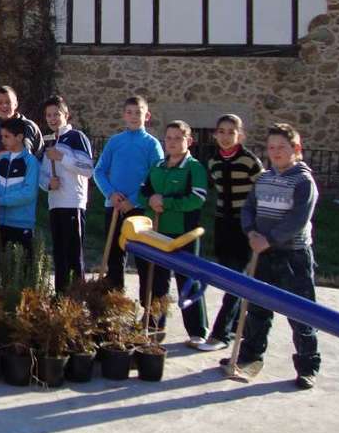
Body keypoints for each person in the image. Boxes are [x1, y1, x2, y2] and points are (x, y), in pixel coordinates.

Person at [226, 123, 320, 389]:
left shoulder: (303, 181)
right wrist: (252, 233)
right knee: (256, 308)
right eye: (271, 148)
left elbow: (298, 219)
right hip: (261, 252)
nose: (276, 152)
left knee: (301, 312)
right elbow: (249, 209)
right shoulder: (264, 179)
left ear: (296, 149)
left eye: (282, 147)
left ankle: (307, 365)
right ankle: (250, 356)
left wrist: (270, 239)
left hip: (293, 256)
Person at [137, 120, 210, 347]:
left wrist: (166, 202)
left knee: (187, 280)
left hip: (184, 234)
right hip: (158, 233)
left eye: (178, 138)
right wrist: (150, 200)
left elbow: (197, 198)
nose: (172, 142)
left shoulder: (194, 168)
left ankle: (197, 329)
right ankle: (155, 325)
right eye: (168, 138)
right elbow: (142, 192)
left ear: (189, 141)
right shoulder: (157, 167)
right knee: (157, 280)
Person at [199, 114, 265, 351]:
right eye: (222, 131)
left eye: (231, 131)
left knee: (236, 281)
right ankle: (238, 326)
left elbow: (263, 191)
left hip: (245, 226)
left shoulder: (250, 161)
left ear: (241, 135)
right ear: (215, 134)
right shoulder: (214, 162)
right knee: (230, 278)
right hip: (223, 225)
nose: (226, 137)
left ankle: (220, 334)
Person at [92, 95, 164, 289]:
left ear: (147, 115)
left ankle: (147, 311)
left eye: (138, 112)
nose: (134, 116)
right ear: (124, 115)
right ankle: (114, 303)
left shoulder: (152, 144)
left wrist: (134, 200)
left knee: (143, 260)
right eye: (130, 112)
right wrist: (111, 194)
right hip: (114, 206)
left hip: (139, 210)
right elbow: (98, 171)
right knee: (114, 257)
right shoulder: (115, 142)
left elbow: (155, 176)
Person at [38, 96, 93, 293]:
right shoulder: (49, 141)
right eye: (48, 115)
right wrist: (48, 184)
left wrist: (62, 157)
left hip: (73, 202)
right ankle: (60, 298)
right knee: (59, 254)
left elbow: (88, 169)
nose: (52, 119)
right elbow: (43, 174)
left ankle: (78, 299)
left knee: (73, 254)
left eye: (56, 114)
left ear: (66, 115)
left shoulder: (77, 137)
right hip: (55, 203)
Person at [0, 117, 40, 280]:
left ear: (20, 137)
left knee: (20, 273)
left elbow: (28, 194)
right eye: (2, 136)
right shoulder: (2, 160)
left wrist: (0, 201)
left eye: (6, 137)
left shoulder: (31, 162)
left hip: (21, 225)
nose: (2, 140)